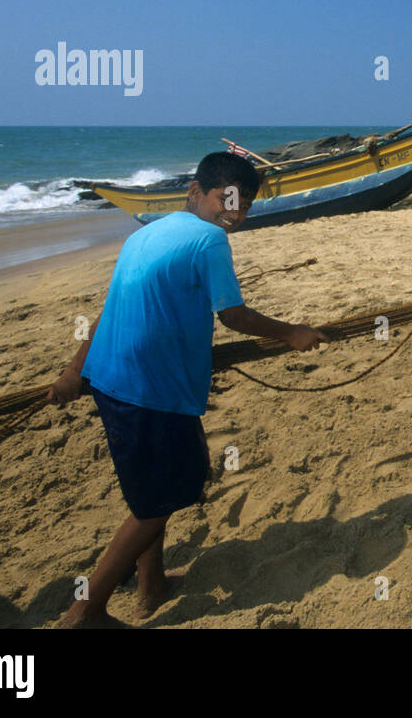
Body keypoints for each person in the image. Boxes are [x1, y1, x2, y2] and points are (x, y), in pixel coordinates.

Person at [49, 152, 327, 627]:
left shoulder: (145, 233)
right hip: (151, 387)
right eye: (226, 200)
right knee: (160, 501)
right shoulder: (209, 240)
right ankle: (85, 611)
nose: (234, 215)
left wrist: (75, 370)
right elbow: (233, 315)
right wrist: (292, 332)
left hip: (110, 380)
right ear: (195, 193)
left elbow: (108, 309)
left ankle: (151, 583)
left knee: (150, 491)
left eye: (244, 206)